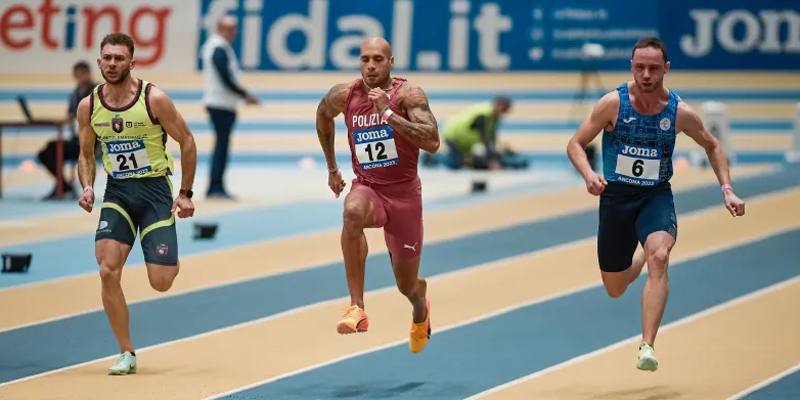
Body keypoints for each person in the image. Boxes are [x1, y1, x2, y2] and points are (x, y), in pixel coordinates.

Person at [567, 37, 745, 372]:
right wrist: (589, 174)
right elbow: (575, 144)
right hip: (616, 200)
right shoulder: (612, 104)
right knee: (615, 287)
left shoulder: (680, 113)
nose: (646, 75)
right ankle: (639, 256)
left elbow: (712, 145)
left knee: (660, 257)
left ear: (666, 68)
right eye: (639, 68)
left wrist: (727, 189)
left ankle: (647, 345)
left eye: (653, 68)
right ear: (631, 67)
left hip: (655, 196)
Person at [76, 32, 197, 375]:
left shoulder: (153, 99)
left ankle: (164, 249)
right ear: (99, 61)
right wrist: (87, 186)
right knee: (106, 269)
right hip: (118, 194)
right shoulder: (89, 106)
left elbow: (187, 141)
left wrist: (185, 193)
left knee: (161, 281)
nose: (112, 64)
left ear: (132, 62)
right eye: (107, 58)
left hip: (156, 193)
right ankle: (126, 352)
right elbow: (86, 154)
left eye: (119, 58)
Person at [316, 37, 439, 353]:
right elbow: (322, 115)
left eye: (378, 60)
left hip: (404, 197)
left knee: (406, 285)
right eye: (365, 59)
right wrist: (332, 168)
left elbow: (432, 141)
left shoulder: (407, 94)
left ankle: (420, 305)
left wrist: (388, 115)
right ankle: (356, 307)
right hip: (368, 187)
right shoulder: (346, 95)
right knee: (352, 211)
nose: (370, 66)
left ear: (391, 62)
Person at [201, 15, 259, 199]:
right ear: (220, 28)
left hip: (223, 103)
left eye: (234, 28)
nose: (233, 32)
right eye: (230, 28)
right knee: (221, 146)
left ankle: (217, 185)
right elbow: (225, 77)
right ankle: (215, 186)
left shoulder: (220, 47)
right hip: (220, 104)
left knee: (222, 145)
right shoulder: (218, 47)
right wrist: (244, 94)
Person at [37, 61, 96, 200]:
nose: (79, 78)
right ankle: (63, 185)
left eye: (82, 75)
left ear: (88, 74)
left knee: (52, 149)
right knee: (46, 152)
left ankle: (63, 186)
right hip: (76, 139)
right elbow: (70, 116)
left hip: (91, 141)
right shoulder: (75, 93)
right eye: (77, 76)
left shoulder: (97, 92)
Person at [443, 96, 517, 170]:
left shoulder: (493, 118)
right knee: (454, 164)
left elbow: (491, 140)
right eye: (503, 110)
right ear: (498, 105)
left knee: (462, 162)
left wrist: (494, 156)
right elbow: (484, 139)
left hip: (463, 140)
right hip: (453, 135)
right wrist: (492, 161)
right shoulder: (483, 114)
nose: (502, 114)